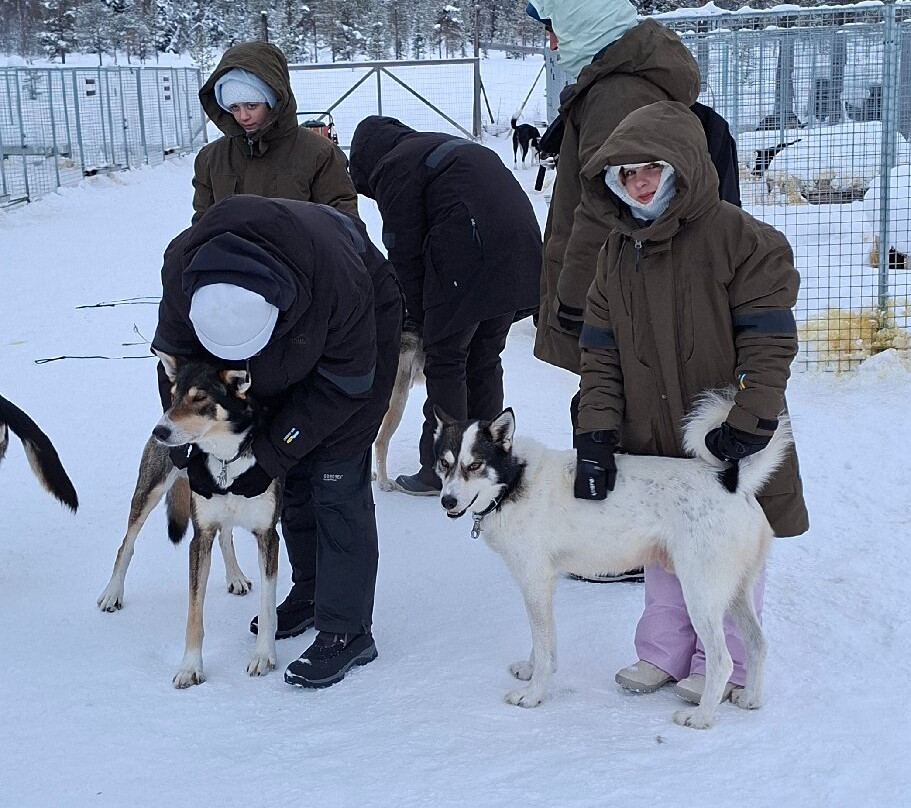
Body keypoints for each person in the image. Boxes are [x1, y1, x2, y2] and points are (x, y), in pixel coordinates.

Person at [572, 101, 809, 703]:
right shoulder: (615, 252)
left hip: (725, 436)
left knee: (720, 554)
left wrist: (750, 421)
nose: (639, 183)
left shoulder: (742, 239)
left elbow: (769, 343)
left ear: (681, 165)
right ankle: (664, 652)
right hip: (652, 438)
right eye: (624, 174)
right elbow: (598, 353)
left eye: (649, 167)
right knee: (662, 552)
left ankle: (721, 661)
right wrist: (597, 431)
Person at [525, 0, 738, 582]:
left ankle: (622, 543)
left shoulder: (616, 90)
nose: (549, 42)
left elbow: (606, 206)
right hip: (625, 278)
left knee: (614, 405)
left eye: (552, 27)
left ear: (578, 24)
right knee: (619, 401)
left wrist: (574, 295)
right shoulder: (616, 81)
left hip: (614, 282)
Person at [152, 194, 402, 689]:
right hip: (290, 338)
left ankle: (346, 629)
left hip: (352, 345)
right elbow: (177, 369)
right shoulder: (183, 267)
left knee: (333, 473)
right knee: (293, 475)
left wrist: (270, 453)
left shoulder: (338, 281)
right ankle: (309, 593)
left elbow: (344, 386)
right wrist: (188, 446)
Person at [347, 116, 541, 495]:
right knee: (485, 358)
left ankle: (440, 469)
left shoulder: (394, 166)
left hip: (468, 253)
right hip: (521, 252)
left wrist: (418, 317)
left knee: (446, 360)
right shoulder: (441, 148)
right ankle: (485, 460)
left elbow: (404, 252)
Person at [192, 42, 358, 221]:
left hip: (299, 248)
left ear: (273, 101)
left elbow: (343, 223)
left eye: (251, 105)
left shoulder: (319, 153)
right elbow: (203, 225)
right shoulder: (211, 158)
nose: (243, 116)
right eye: (234, 107)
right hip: (231, 249)